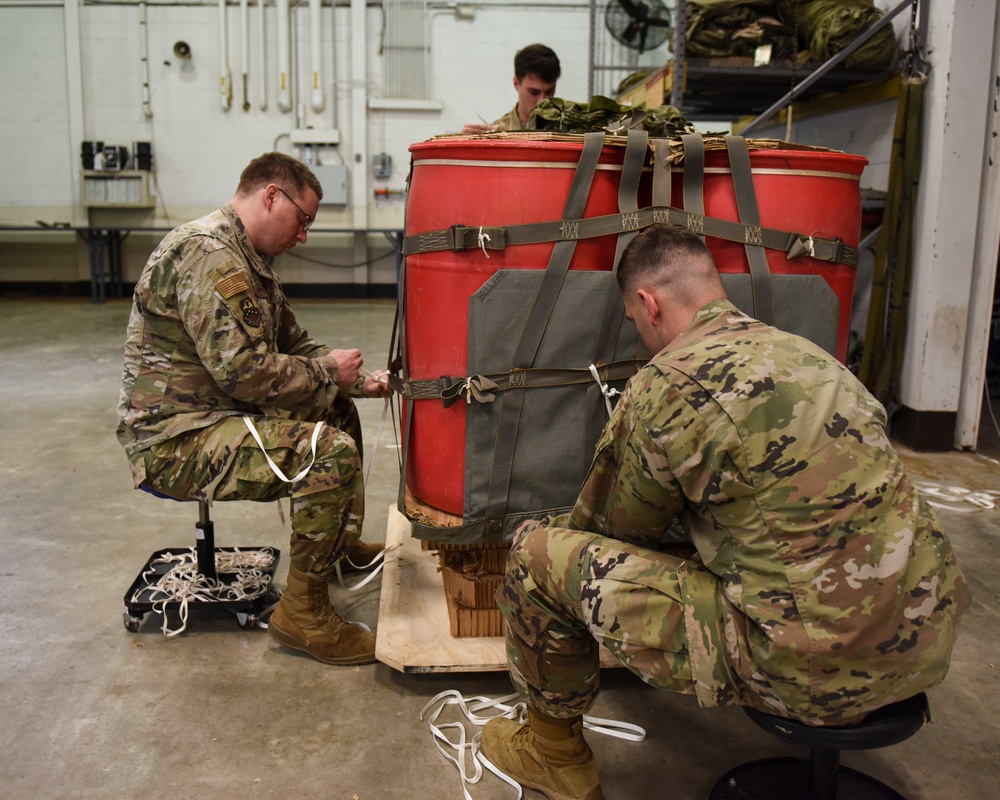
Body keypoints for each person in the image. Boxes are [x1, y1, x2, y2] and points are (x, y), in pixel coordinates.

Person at [480, 223, 971, 800]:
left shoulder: (667, 382)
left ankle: (552, 754)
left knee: (538, 556)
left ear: (648, 302)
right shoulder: (813, 359)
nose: (639, 334)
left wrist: (551, 529)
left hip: (811, 672)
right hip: (926, 639)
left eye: (634, 321)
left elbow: (614, 530)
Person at [116, 152, 391, 667]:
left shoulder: (251, 262)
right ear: (271, 196)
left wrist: (353, 381)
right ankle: (302, 616)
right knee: (325, 454)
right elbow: (242, 373)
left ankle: (334, 547)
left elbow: (295, 345)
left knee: (337, 412)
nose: (304, 235)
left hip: (216, 416)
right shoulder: (210, 255)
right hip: (176, 438)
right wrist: (329, 372)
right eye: (302, 220)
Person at [461, 43, 561, 134]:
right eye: (534, 92)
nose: (542, 101)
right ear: (516, 83)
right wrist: (464, 146)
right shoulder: (496, 135)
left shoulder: (567, 130)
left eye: (549, 91)